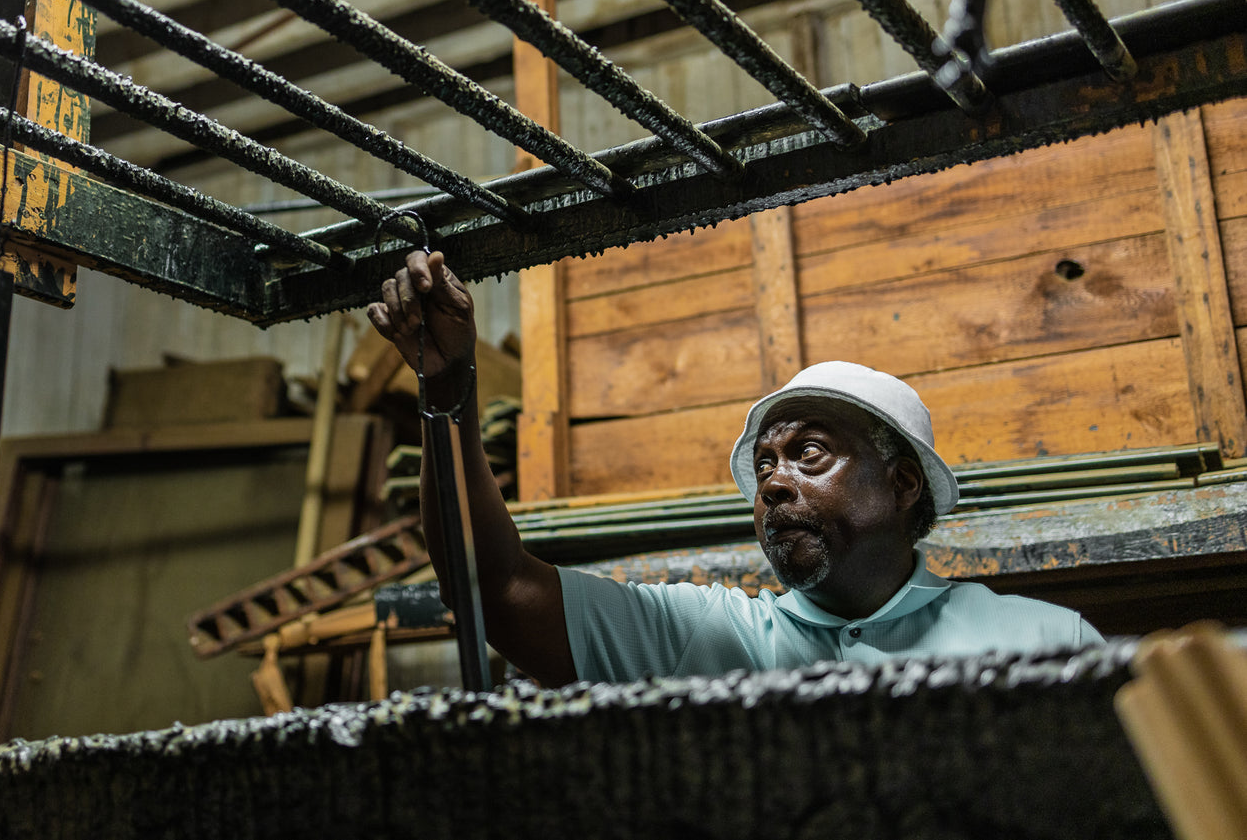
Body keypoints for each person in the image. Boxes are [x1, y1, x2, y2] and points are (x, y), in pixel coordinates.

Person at [368, 250, 1104, 687]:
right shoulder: (712, 638)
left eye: (809, 452)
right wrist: (449, 392)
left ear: (903, 482)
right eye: (765, 464)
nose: (775, 481)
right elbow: (496, 588)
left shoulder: (1047, 644)